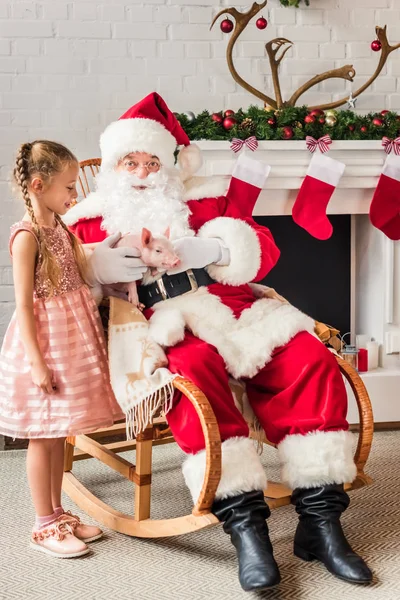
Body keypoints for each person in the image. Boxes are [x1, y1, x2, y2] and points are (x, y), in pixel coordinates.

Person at [65, 93, 372, 590]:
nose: (142, 172)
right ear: (114, 167)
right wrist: (96, 266)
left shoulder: (204, 199)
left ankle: (322, 524)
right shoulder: (87, 218)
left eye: (151, 161)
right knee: (192, 368)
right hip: (157, 322)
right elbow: (59, 281)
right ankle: (246, 526)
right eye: (130, 162)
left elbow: (263, 249)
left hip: (233, 306)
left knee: (308, 355)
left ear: (167, 165)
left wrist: (214, 246)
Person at [0, 140, 142, 558]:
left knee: (61, 432)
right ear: (40, 185)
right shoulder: (27, 237)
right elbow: (23, 305)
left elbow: (80, 271)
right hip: (45, 345)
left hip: (70, 340)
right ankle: (43, 524)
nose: (73, 195)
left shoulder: (60, 227)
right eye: (68, 187)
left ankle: (59, 512)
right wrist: (37, 363)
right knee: (43, 437)